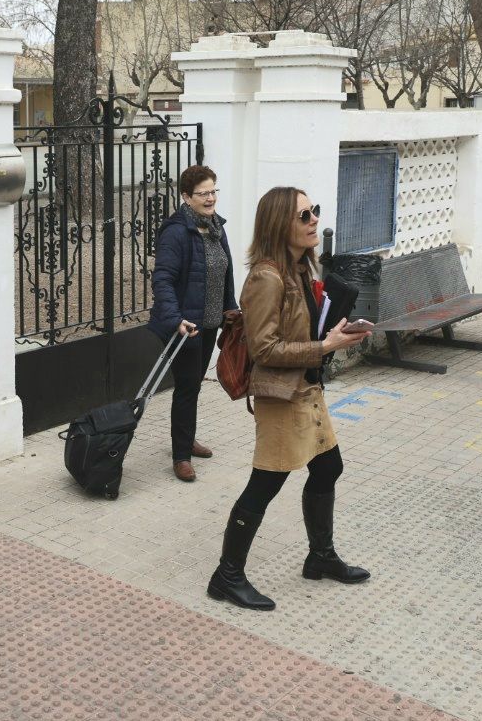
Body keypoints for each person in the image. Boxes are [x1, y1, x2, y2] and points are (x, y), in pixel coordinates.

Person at [206, 187, 371, 611]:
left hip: (306, 386)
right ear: (281, 224)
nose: (315, 219)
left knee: (328, 466)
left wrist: (335, 333)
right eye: (304, 215)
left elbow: (302, 331)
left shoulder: (297, 269)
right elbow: (263, 349)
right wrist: (324, 348)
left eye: (314, 211)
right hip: (281, 395)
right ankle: (227, 576)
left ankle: (320, 556)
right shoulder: (266, 277)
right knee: (265, 484)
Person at [150, 165, 239, 482]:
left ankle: (185, 438)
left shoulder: (216, 226)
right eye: (203, 193)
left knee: (194, 383)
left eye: (214, 191)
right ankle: (181, 456)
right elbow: (163, 280)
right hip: (184, 325)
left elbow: (224, 271)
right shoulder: (176, 232)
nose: (211, 197)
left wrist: (231, 308)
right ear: (186, 197)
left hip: (210, 321)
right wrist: (176, 320)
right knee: (186, 388)